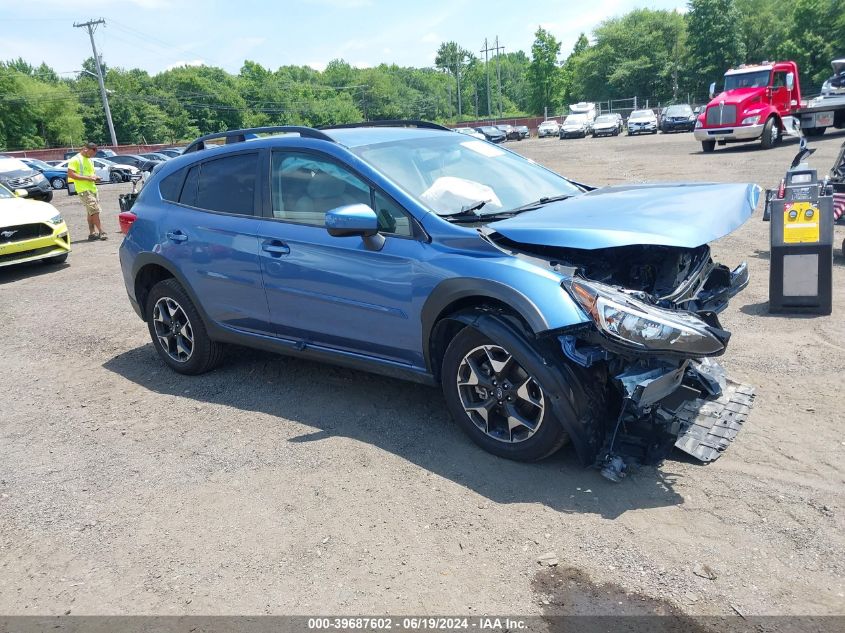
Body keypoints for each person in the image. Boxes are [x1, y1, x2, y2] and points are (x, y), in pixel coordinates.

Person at [66, 142, 107, 240]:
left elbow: (90, 174)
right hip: (83, 189)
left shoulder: (89, 160)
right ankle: (101, 231)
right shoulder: (75, 159)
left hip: (92, 188)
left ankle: (92, 233)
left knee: (91, 212)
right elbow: (71, 174)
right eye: (91, 154)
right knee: (95, 210)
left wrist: (95, 177)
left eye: (93, 155)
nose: (92, 156)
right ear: (85, 149)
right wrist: (88, 178)